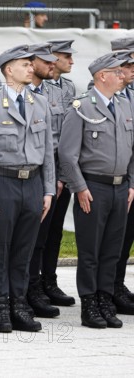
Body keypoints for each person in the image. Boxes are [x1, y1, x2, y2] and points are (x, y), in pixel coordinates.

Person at [0, 45, 54, 333]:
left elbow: (47, 153)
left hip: (32, 183)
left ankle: (20, 305)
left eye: (32, 65)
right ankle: (2, 307)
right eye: (25, 65)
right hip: (3, 182)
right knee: (1, 247)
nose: (31, 69)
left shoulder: (40, 104)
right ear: (8, 69)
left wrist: (48, 191)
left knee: (25, 249)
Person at [59, 52, 134, 329]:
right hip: (93, 188)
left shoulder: (125, 105)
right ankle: (89, 303)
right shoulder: (81, 106)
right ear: (102, 76)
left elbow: (133, 149)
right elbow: (67, 155)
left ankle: (106, 299)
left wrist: (132, 184)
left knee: (112, 250)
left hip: (120, 187)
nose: (123, 75)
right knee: (90, 250)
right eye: (117, 72)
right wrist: (79, 188)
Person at [24, 43, 64, 319]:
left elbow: (56, 143)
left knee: (45, 236)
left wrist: (55, 179)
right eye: (45, 61)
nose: (53, 65)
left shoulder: (55, 92)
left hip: (47, 173)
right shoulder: (15, 95)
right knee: (23, 239)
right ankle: (21, 292)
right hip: (19, 175)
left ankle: (36, 287)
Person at [38, 39, 77, 307]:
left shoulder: (69, 87)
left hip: (61, 165)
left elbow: (68, 135)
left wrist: (63, 175)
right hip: (43, 165)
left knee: (55, 231)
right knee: (38, 231)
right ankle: (34, 284)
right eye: (66, 56)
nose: (70, 61)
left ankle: (48, 281)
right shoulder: (41, 88)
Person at [110, 38, 134, 315]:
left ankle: (117, 284)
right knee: (117, 237)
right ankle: (109, 287)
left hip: (130, 176)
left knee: (126, 236)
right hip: (116, 176)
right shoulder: (103, 94)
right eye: (128, 63)